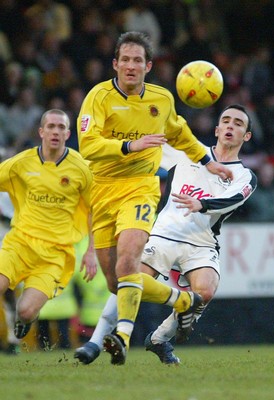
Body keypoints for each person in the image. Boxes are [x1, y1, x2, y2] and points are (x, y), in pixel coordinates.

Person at [76, 30, 233, 366]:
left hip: (141, 186)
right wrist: (131, 144)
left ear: (148, 66)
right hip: (103, 189)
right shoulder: (98, 97)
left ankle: (122, 335)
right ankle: (181, 301)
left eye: (138, 61)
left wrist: (210, 163)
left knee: (129, 259)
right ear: (115, 64)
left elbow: (179, 132)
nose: (131, 66)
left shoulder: (161, 99)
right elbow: (88, 145)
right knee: (117, 282)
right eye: (125, 60)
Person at [75, 104, 257, 365]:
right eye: (226, 121)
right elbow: (151, 146)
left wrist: (202, 204)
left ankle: (159, 339)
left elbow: (235, 198)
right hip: (164, 234)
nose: (230, 126)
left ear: (246, 136)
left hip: (202, 242)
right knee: (130, 278)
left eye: (238, 123)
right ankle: (95, 342)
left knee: (204, 291)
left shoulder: (244, 175)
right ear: (216, 129)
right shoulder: (189, 152)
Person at [0, 109, 97, 341]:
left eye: (61, 127)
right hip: (19, 244)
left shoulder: (81, 168)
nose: (55, 131)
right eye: (51, 127)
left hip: (54, 255)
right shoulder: (21, 163)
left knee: (26, 311)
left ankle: (22, 319)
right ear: (41, 132)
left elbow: (95, 209)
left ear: (68, 133)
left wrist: (91, 251)